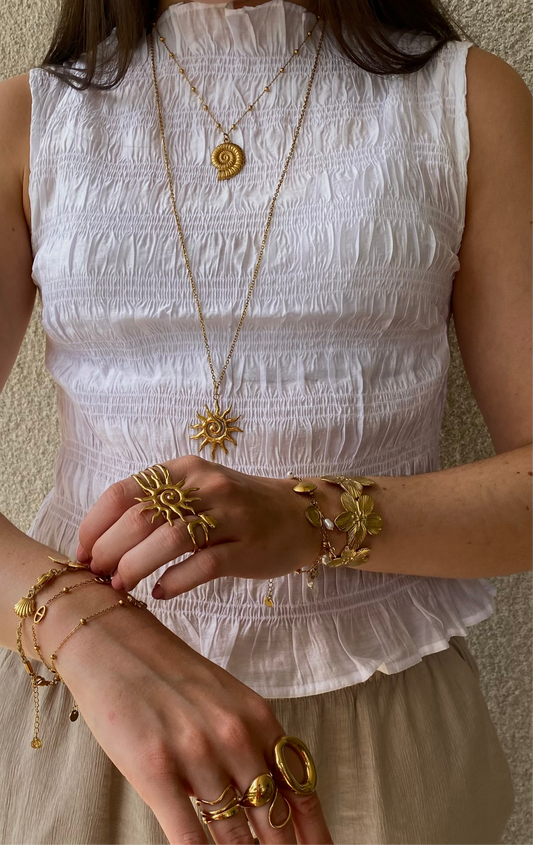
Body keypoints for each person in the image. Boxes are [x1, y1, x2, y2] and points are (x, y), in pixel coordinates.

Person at [0, 0, 531, 843]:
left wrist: (313, 516)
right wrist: (80, 626)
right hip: (89, 717)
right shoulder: (32, 119)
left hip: (384, 730)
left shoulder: (464, 101)